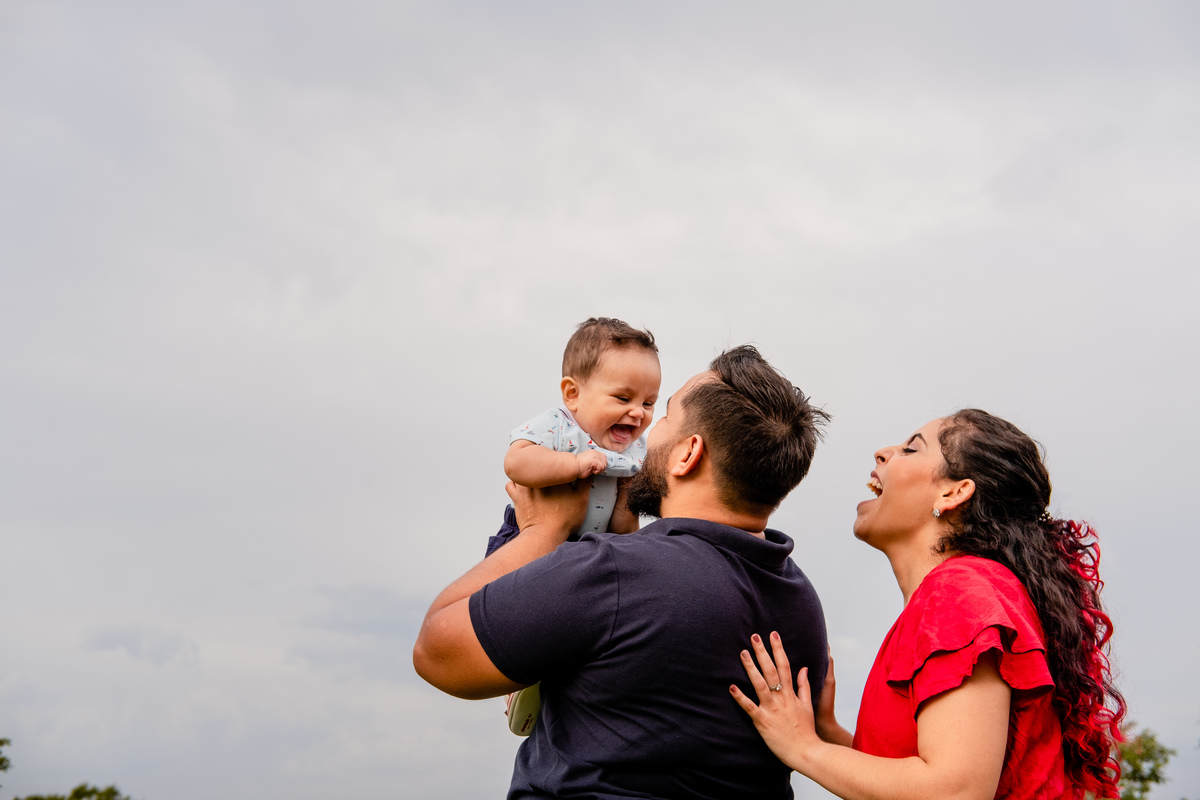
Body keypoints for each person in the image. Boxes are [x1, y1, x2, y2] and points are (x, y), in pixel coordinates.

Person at [413, 345, 831, 799]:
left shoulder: (615, 571)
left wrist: (542, 530)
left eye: (665, 414)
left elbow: (436, 653)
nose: (646, 432)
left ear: (687, 454)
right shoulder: (801, 601)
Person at [731, 409, 1125, 800]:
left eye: (909, 449)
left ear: (953, 492)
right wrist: (828, 734)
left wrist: (804, 749)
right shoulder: (962, 594)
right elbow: (919, 777)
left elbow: (956, 791)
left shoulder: (959, 592)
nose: (882, 452)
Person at [487, 317, 660, 557]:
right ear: (573, 394)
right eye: (623, 398)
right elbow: (515, 462)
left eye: (648, 403)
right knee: (508, 591)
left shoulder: (636, 451)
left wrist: (628, 504)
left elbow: (623, 531)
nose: (638, 412)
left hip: (589, 549)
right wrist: (574, 464)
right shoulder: (559, 425)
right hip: (527, 536)